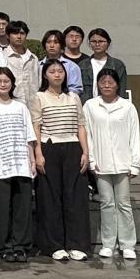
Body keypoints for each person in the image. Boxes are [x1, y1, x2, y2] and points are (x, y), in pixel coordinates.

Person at [31, 59, 90, 261]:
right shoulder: (39, 97)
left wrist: (85, 152)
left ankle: (77, 244)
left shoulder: (73, 97)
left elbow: (81, 125)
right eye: (52, 71)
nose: (57, 74)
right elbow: (36, 127)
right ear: (45, 75)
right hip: (50, 147)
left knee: (75, 197)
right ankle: (54, 245)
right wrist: (38, 154)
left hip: (73, 147)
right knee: (50, 198)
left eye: (60, 71)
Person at [0, 67, 36, 263]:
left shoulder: (21, 107)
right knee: (2, 210)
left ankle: (21, 246)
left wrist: (32, 160)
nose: (3, 84)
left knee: (22, 208)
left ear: (12, 83)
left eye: (6, 81)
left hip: (21, 163)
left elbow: (29, 136)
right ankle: (4, 247)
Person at [84, 68, 140, 260]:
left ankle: (127, 244)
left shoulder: (127, 107)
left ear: (117, 84)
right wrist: (92, 160)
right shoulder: (91, 106)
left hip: (123, 163)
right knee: (106, 204)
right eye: (103, 82)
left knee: (124, 204)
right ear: (97, 85)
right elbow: (88, 135)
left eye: (110, 82)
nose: (107, 85)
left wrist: (135, 164)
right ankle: (108, 244)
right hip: (101, 164)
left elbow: (134, 136)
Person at [4, 20, 40, 104]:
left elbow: (39, 82)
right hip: (11, 103)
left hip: (32, 103)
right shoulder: (2, 57)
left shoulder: (33, 58)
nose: (19, 36)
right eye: (15, 33)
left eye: (22, 33)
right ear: (8, 36)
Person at [39, 30, 84, 97]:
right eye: (48, 42)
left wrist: (61, 97)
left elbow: (76, 89)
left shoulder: (72, 66)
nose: (52, 45)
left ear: (62, 45)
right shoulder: (37, 65)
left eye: (56, 42)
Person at [88, 29, 129, 98]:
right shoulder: (83, 65)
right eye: (94, 41)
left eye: (101, 41)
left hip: (111, 102)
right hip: (87, 103)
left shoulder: (117, 65)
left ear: (108, 43)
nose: (97, 44)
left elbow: (122, 90)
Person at [63, 26, 94, 100]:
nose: (74, 39)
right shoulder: (59, 60)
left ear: (82, 40)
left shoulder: (88, 61)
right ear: (64, 39)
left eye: (77, 36)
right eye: (71, 36)